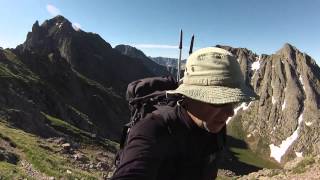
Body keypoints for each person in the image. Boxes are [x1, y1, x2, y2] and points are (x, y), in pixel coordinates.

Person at [111, 47, 258, 180]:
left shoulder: (214, 125)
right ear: (189, 95)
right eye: (219, 101)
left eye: (234, 102)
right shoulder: (152, 129)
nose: (230, 112)